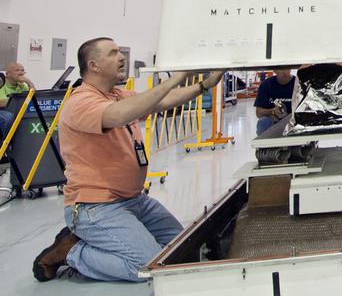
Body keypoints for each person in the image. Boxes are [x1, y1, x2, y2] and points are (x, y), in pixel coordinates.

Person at [32, 37, 224, 283]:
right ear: (93, 65)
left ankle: (101, 243)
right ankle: (71, 251)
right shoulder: (80, 102)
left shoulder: (118, 95)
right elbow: (121, 115)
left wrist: (205, 85)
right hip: (96, 207)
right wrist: (178, 76)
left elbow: (161, 102)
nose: (121, 57)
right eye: (113, 53)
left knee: (182, 250)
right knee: (148, 267)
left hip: (134, 200)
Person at [0, 61, 35, 146]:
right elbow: (2, 103)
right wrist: (18, 100)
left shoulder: (22, 85)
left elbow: (33, 97)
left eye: (22, 70)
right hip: (4, 111)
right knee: (8, 117)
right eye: (17, 70)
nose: (21, 73)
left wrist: (29, 82)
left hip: (16, 111)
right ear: (7, 74)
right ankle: (5, 146)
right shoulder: (2, 83)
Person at [255, 66, 297, 134]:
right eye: (281, 69)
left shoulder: (297, 84)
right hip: (273, 121)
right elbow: (258, 112)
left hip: (292, 121)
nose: (284, 72)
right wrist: (272, 111)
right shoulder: (266, 85)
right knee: (263, 122)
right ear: (275, 71)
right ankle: (264, 143)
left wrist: (289, 117)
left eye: (287, 68)